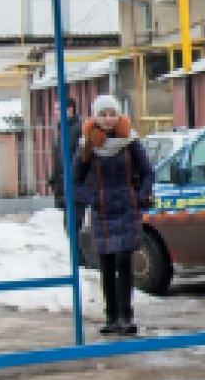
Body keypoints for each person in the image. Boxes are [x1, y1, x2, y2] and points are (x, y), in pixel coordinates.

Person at [73, 95, 153, 335]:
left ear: (118, 116)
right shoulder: (88, 144)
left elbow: (149, 172)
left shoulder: (130, 141)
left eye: (112, 114)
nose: (108, 119)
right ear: (95, 117)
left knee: (123, 260)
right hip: (103, 210)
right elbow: (75, 181)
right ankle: (111, 318)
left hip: (126, 208)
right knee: (106, 263)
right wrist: (93, 199)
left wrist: (139, 196)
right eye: (103, 114)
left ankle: (126, 316)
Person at [49, 98, 84, 237]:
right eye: (55, 109)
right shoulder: (64, 130)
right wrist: (53, 179)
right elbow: (60, 160)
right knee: (70, 230)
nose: (56, 113)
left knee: (75, 232)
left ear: (70, 110)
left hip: (76, 191)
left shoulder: (77, 130)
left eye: (58, 109)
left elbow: (77, 160)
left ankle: (81, 259)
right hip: (67, 189)